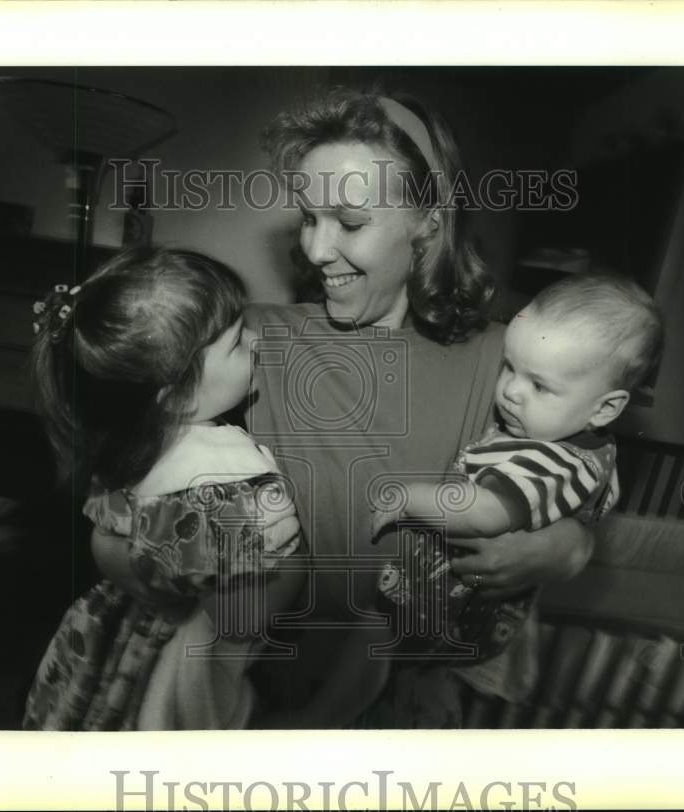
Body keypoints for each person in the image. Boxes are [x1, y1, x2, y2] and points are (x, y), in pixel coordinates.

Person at [238, 87, 598, 728]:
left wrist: (569, 546)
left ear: (428, 220)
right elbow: (118, 499)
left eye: (349, 223)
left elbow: (578, 482)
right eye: (307, 217)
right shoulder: (248, 340)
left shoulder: (506, 365)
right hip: (249, 703)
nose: (317, 250)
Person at [22, 247, 307, 730]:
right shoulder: (218, 477)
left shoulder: (134, 443)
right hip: (174, 671)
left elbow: (118, 541)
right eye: (238, 342)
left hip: (108, 639)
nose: (257, 342)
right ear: (177, 394)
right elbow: (244, 614)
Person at [370, 274, 664, 683]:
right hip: (444, 605)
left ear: (605, 409)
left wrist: (404, 496)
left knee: (366, 664)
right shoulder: (575, 442)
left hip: (449, 613)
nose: (511, 391)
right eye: (509, 368)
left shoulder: (558, 461)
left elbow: (485, 513)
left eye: (540, 386)